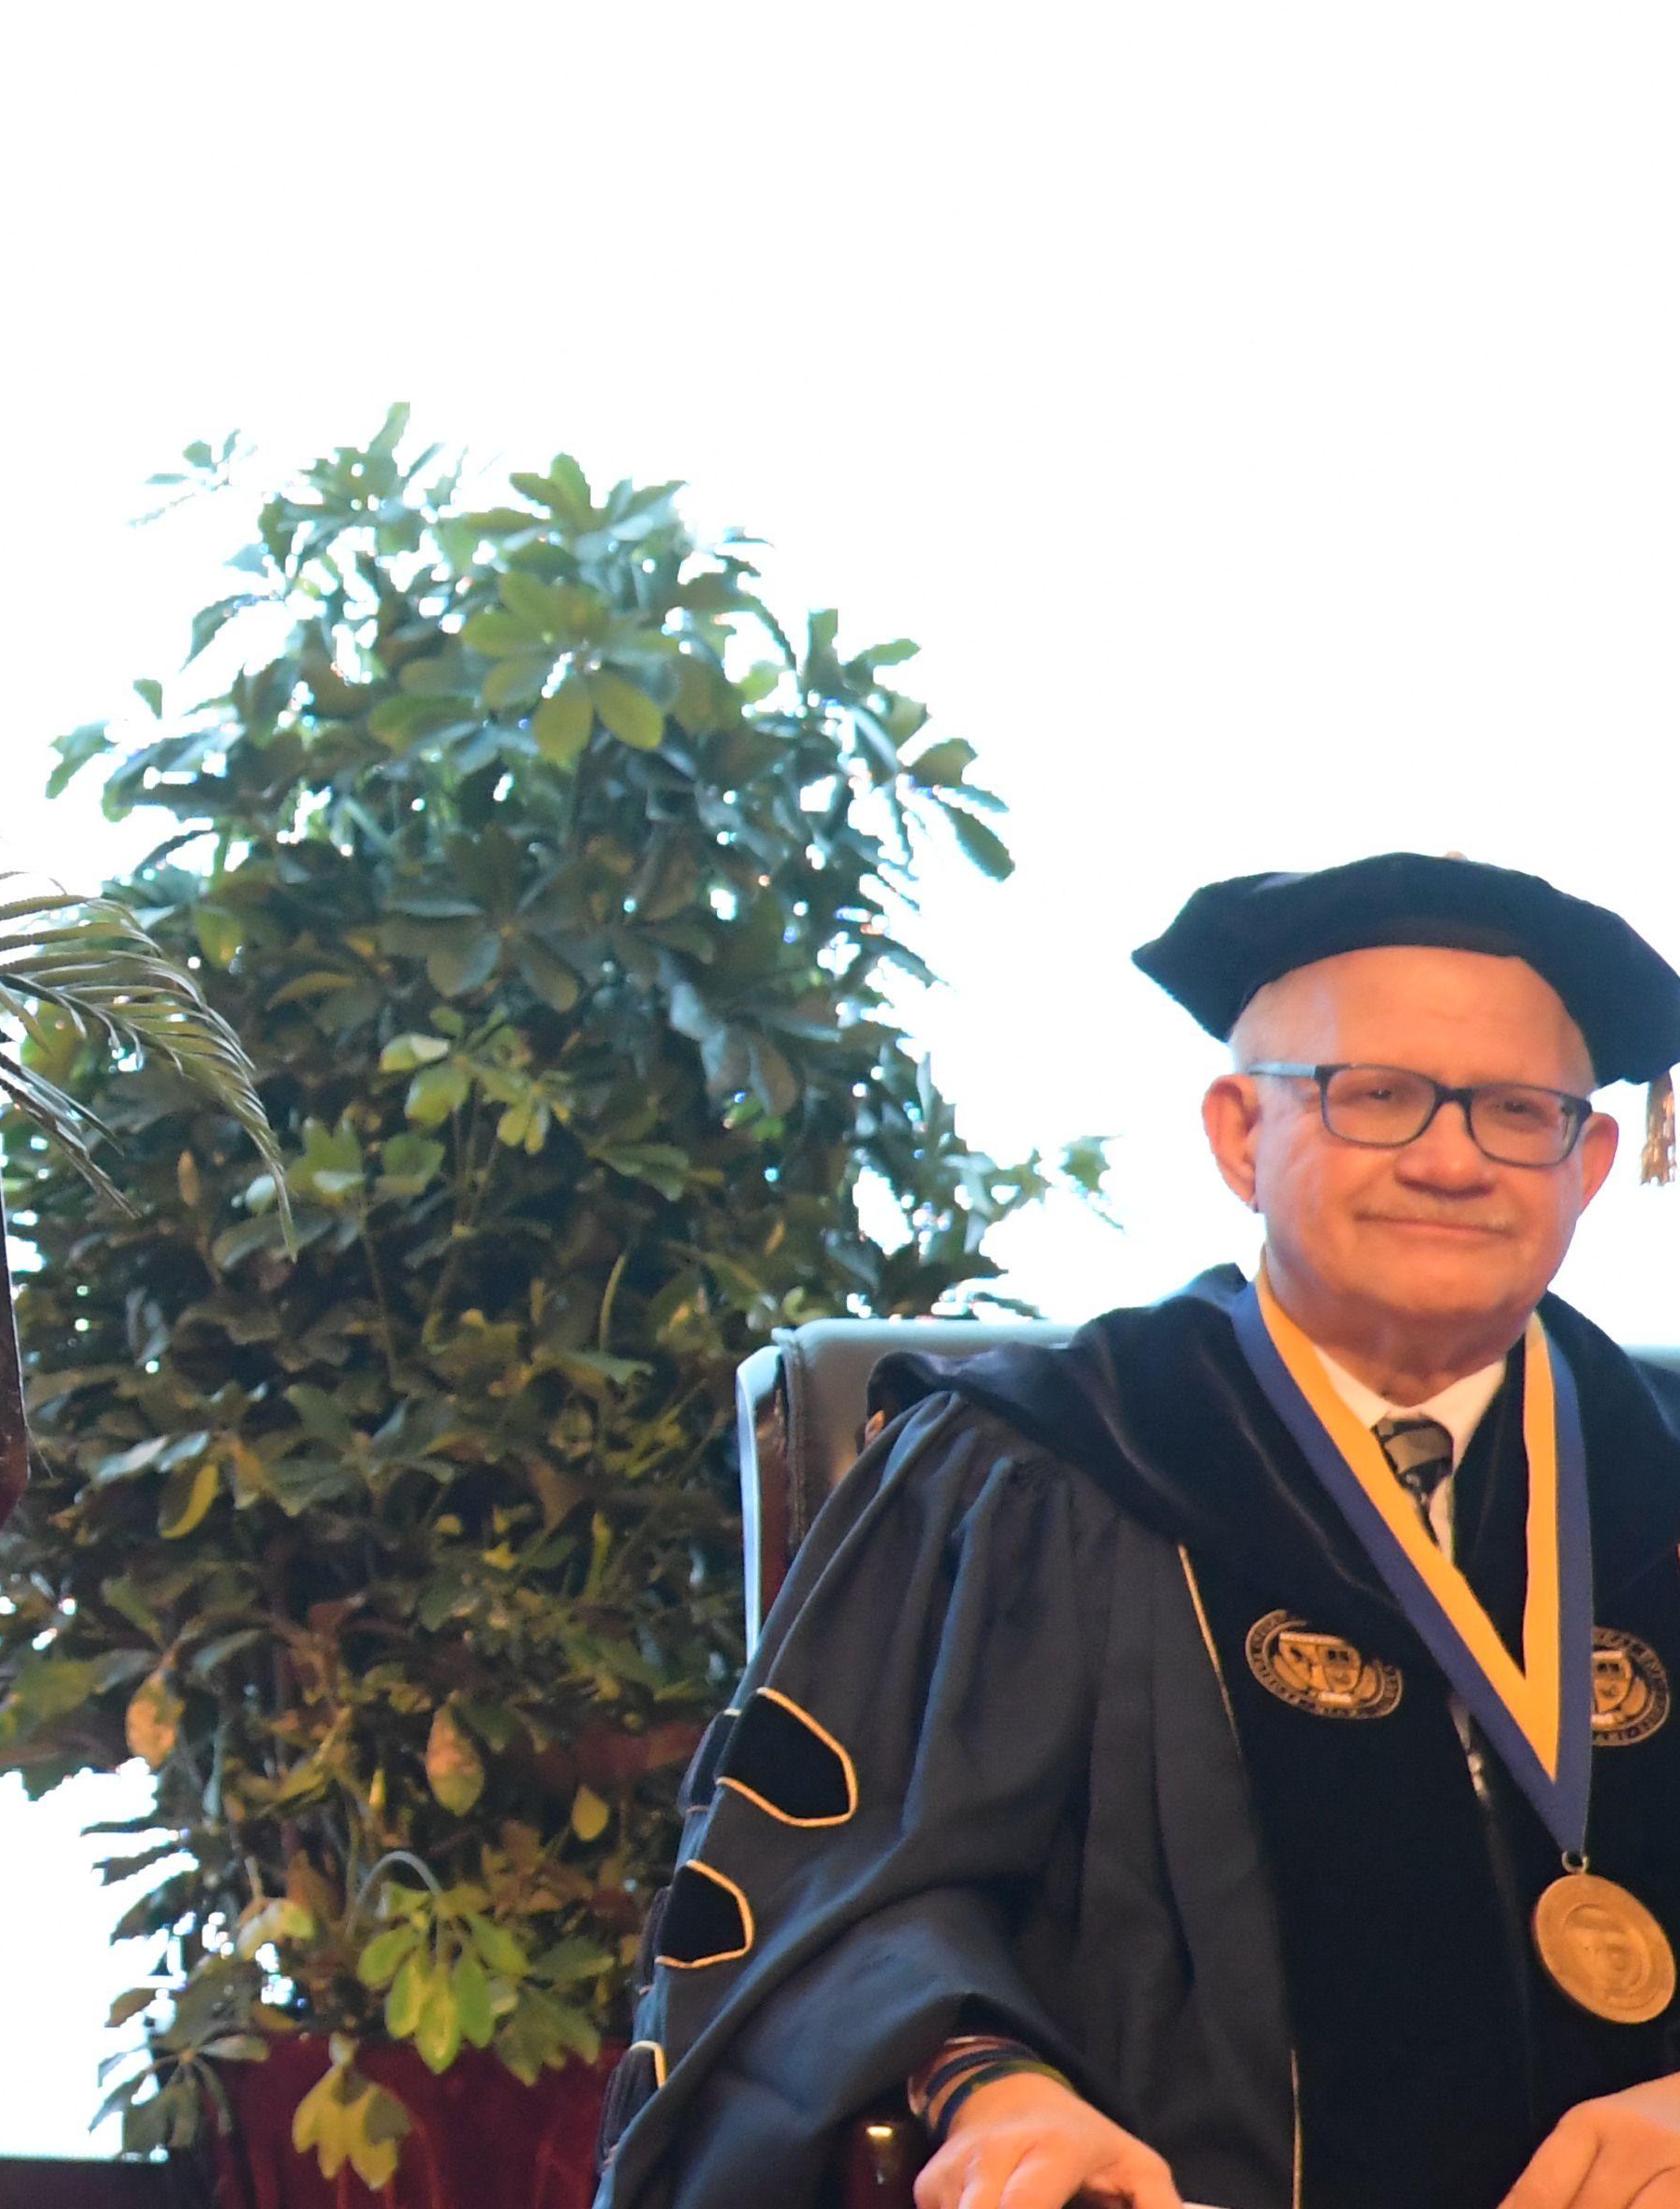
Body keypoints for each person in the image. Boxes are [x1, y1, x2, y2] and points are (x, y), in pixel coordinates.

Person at [597, 853, 1680, 2209]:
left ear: (1589, 1163)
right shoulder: (1036, 1470)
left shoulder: (1656, 1482)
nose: (1452, 1160)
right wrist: (995, 2091)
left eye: (1518, 1112)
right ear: (1239, 1135)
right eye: (1378, 1096)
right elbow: (832, 1888)